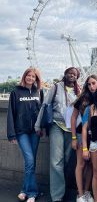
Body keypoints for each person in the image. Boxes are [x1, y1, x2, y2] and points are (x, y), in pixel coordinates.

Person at [35, 67, 81, 202]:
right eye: (70, 73)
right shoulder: (55, 87)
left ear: (77, 77)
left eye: (75, 74)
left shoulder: (79, 91)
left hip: (71, 128)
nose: (72, 76)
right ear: (65, 74)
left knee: (65, 161)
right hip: (56, 125)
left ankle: (63, 189)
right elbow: (44, 105)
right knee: (56, 161)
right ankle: (57, 197)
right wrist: (38, 125)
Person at [7, 68, 43, 202]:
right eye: (28, 75)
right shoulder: (15, 92)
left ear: (36, 79)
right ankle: (32, 193)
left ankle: (24, 190)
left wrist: (42, 127)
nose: (31, 78)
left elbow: (42, 112)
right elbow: (11, 113)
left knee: (30, 163)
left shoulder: (39, 92)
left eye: (33, 77)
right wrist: (11, 134)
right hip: (21, 132)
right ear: (24, 76)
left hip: (35, 131)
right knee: (29, 160)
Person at [71, 75, 97, 202]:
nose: (91, 86)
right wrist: (73, 138)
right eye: (89, 84)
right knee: (81, 164)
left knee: (90, 166)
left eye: (94, 83)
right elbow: (73, 118)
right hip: (80, 134)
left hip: (95, 136)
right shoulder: (83, 99)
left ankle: (88, 191)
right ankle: (81, 194)